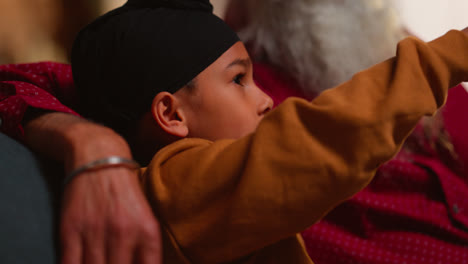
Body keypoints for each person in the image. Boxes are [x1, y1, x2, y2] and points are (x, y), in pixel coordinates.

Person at [2, 0, 468, 263]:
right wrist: (448, 56)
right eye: (239, 80)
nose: (268, 99)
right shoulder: (179, 186)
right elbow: (317, 140)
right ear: (171, 114)